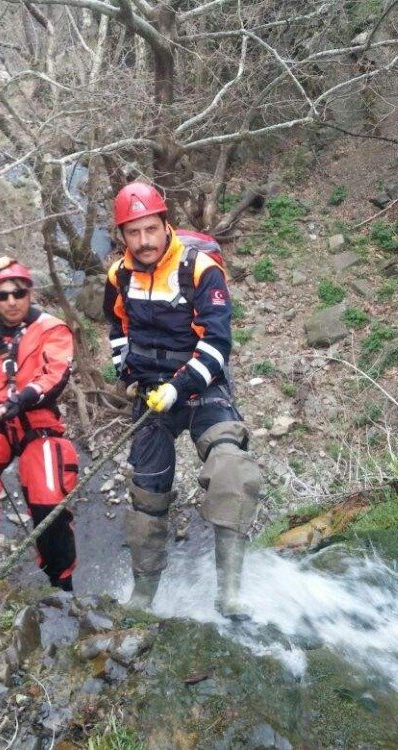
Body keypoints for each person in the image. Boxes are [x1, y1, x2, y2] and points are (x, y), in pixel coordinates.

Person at [103, 182, 261, 618]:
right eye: (133, 233)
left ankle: (229, 592)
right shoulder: (119, 275)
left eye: (150, 229)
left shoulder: (200, 269)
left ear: (164, 223)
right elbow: (117, 328)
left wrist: (182, 385)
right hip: (152, 392)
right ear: (122, 235)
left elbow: (218, 341)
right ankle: (144, 595)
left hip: (202, 384)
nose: (144, 241)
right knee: (147, 494)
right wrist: (128, 374)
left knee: (231, 468)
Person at [0, 256, 79, 591]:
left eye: (18, 293)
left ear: (29, 292)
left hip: (36, 417)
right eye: (2, 295)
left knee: (49, 496)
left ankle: (60, 579)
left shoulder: (52, 329)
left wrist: (25, 396)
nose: (11, 301)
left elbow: (56, 373)